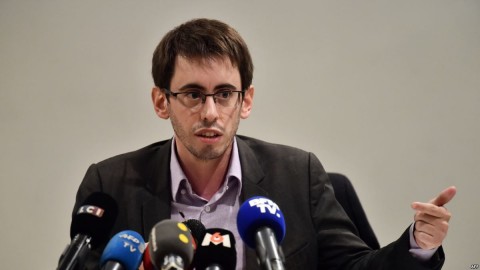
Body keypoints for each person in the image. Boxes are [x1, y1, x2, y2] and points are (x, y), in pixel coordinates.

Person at [71, 18, 456, 269]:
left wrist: (417, 244)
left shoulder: (297, 175)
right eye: (192, 94)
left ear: (246, 101)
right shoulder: (111, 184)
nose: (210, 112)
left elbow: (355, 266)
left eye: (224, 94)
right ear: (161, 101)